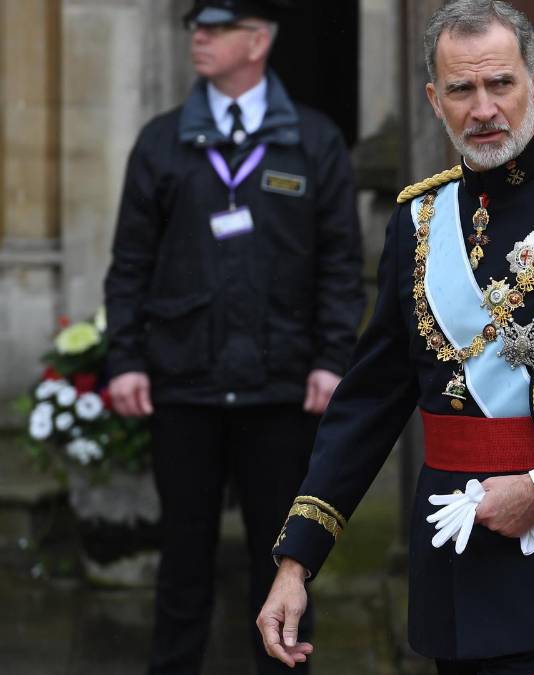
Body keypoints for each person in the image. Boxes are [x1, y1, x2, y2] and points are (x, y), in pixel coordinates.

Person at [255, 1, 534, 673]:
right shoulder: (417, 221)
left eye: (500, 83)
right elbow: (369, 402)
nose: (484, 108)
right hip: (449, 562)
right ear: (434, 100)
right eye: (463, 90)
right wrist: (297, 560)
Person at [102, 1, 365, 672]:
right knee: (182, 559)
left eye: (214, 28)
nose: (198, 37)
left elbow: (342, 263)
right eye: (196, 26)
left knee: (283, 563)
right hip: (184, 387)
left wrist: (333, 359)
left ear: (258, 40)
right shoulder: (162, 141)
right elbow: (129, 264)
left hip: (281, 392)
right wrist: (127, 360)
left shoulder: (313, 142)